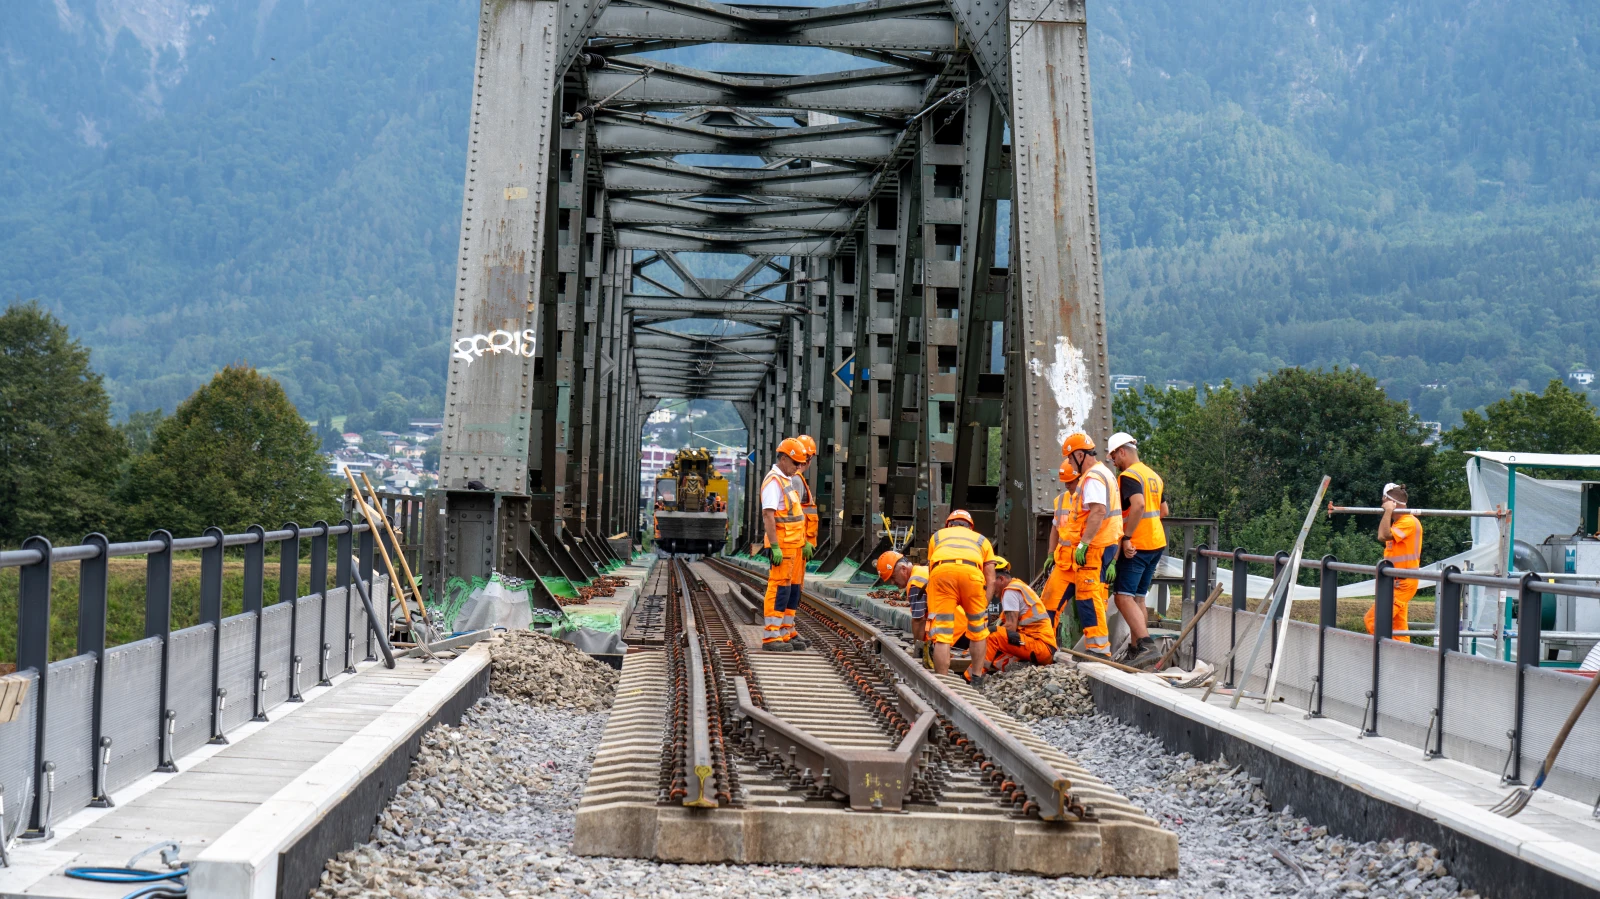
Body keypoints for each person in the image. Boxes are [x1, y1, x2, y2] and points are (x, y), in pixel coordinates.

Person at [1108, 432, 1168, 668]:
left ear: (1122, 452)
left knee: (1122, 597)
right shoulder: (1153, 475)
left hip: (1137, 545)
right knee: (1138, 598)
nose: (1114, 461)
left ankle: (1145, 644)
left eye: (1114, 456)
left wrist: (1127, 536)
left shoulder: (1129, 476)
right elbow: (1163, 511)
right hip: (1156, 542)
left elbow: (1139, 505)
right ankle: (1136, 650)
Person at [1062, 433, 1122, 660]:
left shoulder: (1093, 477)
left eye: (1070, 459)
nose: (1069, 464)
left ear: (1080, 455)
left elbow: (1098, 511)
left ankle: (1097, 649)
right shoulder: (1105, 473)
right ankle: (1098, 646)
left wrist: (1083, 544)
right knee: (1095, 594)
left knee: (1088, 595)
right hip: (1106, 542)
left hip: (1096, 545)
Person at [925, 509, 998, 678]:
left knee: (942, 635)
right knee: (978, 632)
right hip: (972, 575)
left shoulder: (938, 536)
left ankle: (942, 681)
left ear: (949, 525)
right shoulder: (981, 540)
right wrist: (984, 604)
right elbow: (992, 579)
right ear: (970, 527)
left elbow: (931, 570)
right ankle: (977, 678)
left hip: (942, 574)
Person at [760, 438, 812, 652]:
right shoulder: (774, 482)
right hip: (783, 546)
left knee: (792, 589)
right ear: (783, 459)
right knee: (779, 588)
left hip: (794, 544)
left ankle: (784, 630)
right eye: (795, 463)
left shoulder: (786, 479)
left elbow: (795, 515)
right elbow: (768, 516)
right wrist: (774, 546)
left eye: (801, 463)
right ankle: (771, 635)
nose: (798, 467)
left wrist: (805, 541)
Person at [981, 557, 1058, 674]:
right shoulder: (1016, 587)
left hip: (1040, 648)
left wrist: (981, 640)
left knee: (992, 634)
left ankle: (974, 676)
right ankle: (1021, 667)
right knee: (995, 656)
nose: (988, 587)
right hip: (1039, 646)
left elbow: (1010, 628)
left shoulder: (1010, 592)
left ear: (1001, 579)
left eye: (989, 582)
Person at [1366, 483, 1421, 643]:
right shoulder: (1399, 523)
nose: (1383, 506)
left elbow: (1383, 535)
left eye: (1384, 502)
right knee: (1398, 628)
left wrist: (1388, 511)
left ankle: (1382, 654)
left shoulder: (1408, 521)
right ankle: (1404, 655)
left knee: (1373, 621)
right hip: (1396, 581)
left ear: (1392, 503)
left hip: (1403, 583)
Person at [1040, 458, 1081, 628]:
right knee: (1047, 605)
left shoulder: (1092, 499)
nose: (1067, 485)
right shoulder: (1061, 500)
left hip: (1085, 564)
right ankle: (1047, 641)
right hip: (1064, 565)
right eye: (1065, 482)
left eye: (1070, 482)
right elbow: (1055, 528)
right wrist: (1051, 553)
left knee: (1092, 612)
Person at [876, 550, 930, 646]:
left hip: (948, 633)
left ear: (903, 569)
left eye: (893, 577)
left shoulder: (915, 583)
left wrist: (917, 648)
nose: (892, 583)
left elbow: (919, 620)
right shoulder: (922, 571)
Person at [794, 434, 820, 563]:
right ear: (809, 458)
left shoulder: (798, 479)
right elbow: (794, 514)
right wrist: (804, 541)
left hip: (799, 543)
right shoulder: (796, 480)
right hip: (798, 544)